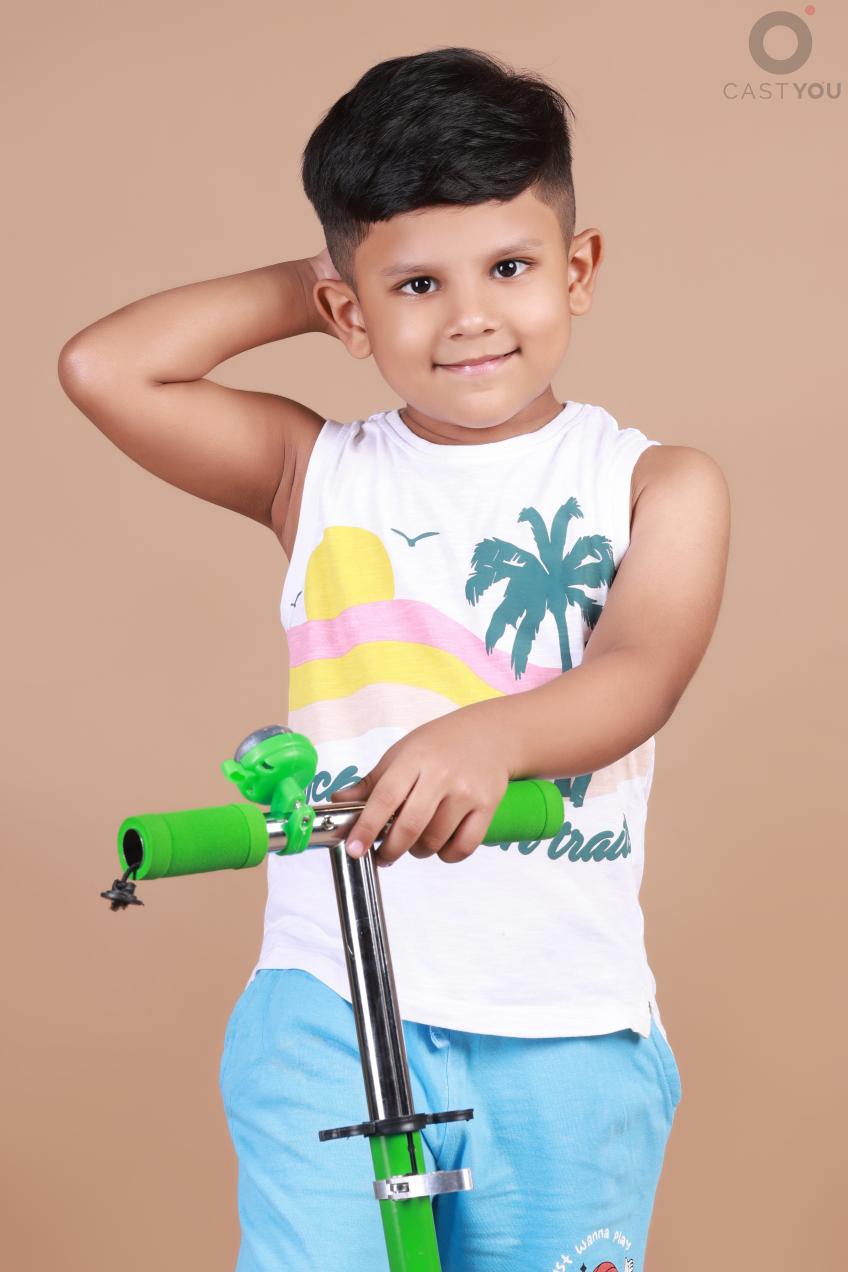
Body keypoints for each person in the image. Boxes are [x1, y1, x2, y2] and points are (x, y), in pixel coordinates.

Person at [58, 46, 730, 1272]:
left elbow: (640, 670)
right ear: (346, 314)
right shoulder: (314, 472)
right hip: (327, 1000)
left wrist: (490, 737)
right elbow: (106, 367)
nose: (468, 315)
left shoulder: (654, 483)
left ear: (577, 271)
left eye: (508, 267)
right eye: (417, 283)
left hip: (560, 1017)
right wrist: (330, 271)